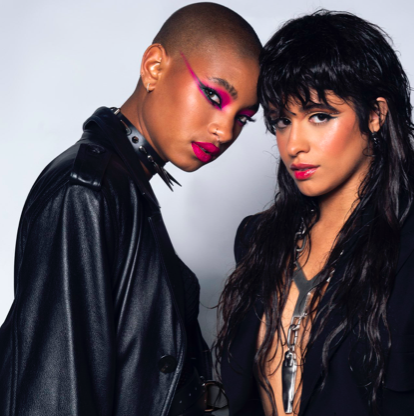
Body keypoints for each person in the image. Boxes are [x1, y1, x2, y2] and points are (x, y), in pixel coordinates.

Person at [217, 10, 414, 416]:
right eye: (282, 121)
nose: (294, 144)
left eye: (320, 116)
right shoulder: (256, 239)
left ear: (375, 114)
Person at [0, 3, 260, 415]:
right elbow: (58, 391)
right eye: (214, 96)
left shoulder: (125, 188)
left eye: (243, 117)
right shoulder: (87, 192)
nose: (224, 130)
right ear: (154, 67)